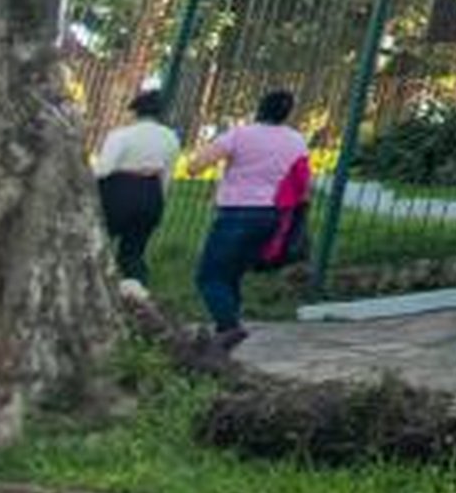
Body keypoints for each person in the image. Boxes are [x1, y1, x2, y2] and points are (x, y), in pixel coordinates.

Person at [178, 89, 313, 347]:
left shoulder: (240, 134)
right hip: (273, 216)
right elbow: (303, 182)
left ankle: (229, 326)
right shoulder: (297, 140)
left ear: (259, 108)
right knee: (233, 274)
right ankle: (225, 331)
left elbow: (195, 166)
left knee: (209, 276)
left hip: (236, 213)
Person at [87, 85, 184, 286]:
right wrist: (158, 201)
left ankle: (94, 285)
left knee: (97, 243)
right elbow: (167, 176)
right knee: (132, 254)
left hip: (118, 193)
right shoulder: (171, 137)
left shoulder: (121, 135)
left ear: (135, 111)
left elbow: (104, 169)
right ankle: (138, 293)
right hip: (151, 194)